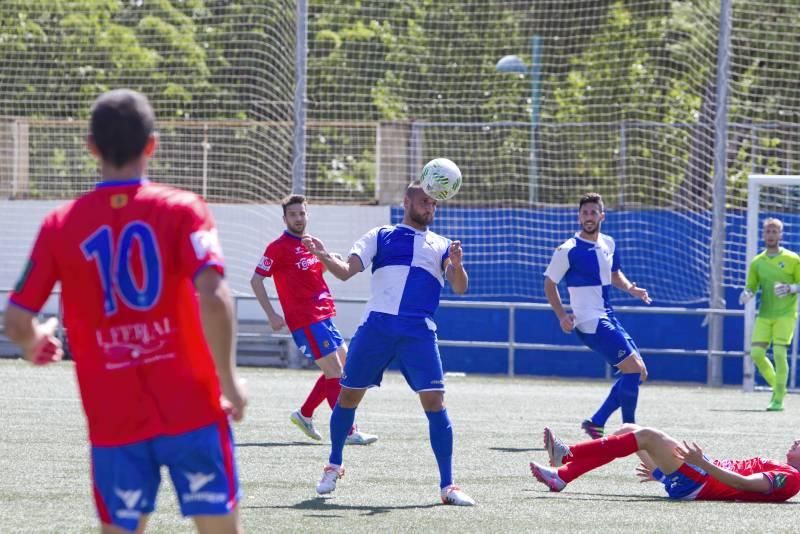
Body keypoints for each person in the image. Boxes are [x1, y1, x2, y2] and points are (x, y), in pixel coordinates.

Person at [3, 89, 247, 534]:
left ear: (91, 146)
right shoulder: (184, 209)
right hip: (192, 407)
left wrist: (33, 340)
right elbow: (214, 296)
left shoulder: (60, 224)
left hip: (114, 418)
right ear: (152, 144)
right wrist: (229, 384)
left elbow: (16, 321)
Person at [301, 180, 475, 506]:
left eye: (434, 204)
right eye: (425, 201)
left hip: (418, 332)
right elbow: (344, 272)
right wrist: (323, 255)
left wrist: (458, 263)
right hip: (376, 327)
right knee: (348, 396)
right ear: (407, 201)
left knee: (435, 402)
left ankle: (448, 486)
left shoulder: (441, 245)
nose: (430, 207)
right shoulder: (379, 234)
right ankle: (333, 465)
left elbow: (460, 286)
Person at [250, 194, 377, 445]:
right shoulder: (277, 248)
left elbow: (320, 270)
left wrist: (328, 258)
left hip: (325, 315)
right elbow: (256, 280)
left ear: (307, 215)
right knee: (336, 372)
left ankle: (304, 414)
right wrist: (272, 314)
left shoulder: (313, 242)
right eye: (293, 214)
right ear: (285, 218)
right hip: (305, 320)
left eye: (301, 213)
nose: (298, 218)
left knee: (342, 366)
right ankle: (348, 431)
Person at [544, 192, 651, 440]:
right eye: (584, 213)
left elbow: (615, 274)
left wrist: (631, 289)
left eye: (593, 212)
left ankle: (597, 422)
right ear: (579, 216)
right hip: (588, 321)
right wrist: (562, 316)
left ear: (602, 215)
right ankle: (629, 431)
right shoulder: (567, 250)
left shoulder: (608, 243)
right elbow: (549, 284)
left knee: (639, 372)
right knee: (633, 370)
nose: (588, 217)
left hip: (607, 314)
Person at [530, 424, 800, 502]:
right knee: (627, 431)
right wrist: (662, 474)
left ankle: (567, 454)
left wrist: (700, 464)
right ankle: (563, 475)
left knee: (648, 436)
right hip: (696, 476)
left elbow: (740, 483)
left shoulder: (792, 479)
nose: (796, 441)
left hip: (699, 479)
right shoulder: (786, 469)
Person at [739, 217, 800, 411]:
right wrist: (747, 294)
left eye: (775, 231)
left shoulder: (792, 259)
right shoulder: (758, 262)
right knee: (756, 353)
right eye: (768, 231)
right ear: (763, 234)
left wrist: (791, 288)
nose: (771, 235)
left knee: (780, 354)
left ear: (780, 235)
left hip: (786, 314)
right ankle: (778, 388)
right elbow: (751, 285)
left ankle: (778, 400)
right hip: (765, 314)